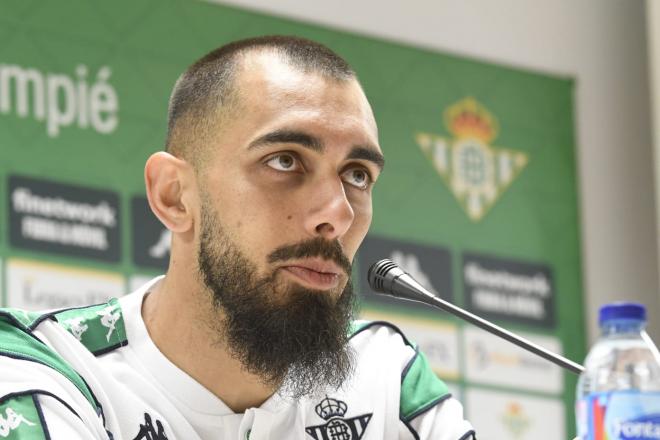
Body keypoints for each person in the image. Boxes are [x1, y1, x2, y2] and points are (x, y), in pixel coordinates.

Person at [0, 36, 475, 440]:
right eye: (285, 161)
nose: (338, 213)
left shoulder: (387, 375)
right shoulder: (50, 370)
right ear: (175, 196)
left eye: (357, 174)